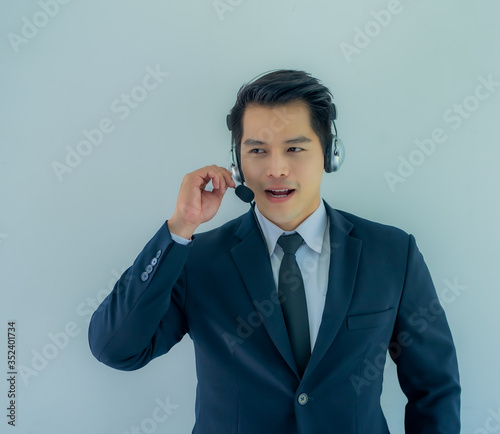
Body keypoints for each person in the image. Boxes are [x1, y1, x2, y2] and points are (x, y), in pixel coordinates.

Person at [88, 69, 460, 433]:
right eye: (258, 151)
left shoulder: (392, 253)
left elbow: (434, 388)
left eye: (294, 148)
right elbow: (116, 350)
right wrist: (180, 228)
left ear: (330, 153)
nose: (276, 168)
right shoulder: (196, 260)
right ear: (237, 163)